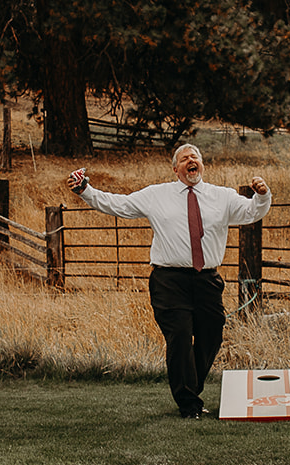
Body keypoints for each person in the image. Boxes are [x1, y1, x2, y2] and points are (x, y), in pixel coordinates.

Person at [68, 144, 271, 418]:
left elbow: (251, 212)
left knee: (212, 334)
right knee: (179, 337)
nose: (191, 161)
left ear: (202, 165)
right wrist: (86, 191)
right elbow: (120, 204)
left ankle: (190, 386)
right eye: (185, 158)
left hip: (207, 280)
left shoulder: (222, 196)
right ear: (175, 168)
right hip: (169, 280)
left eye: (195, 157)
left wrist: (262, 195)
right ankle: (188, 404)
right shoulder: (156, 195)